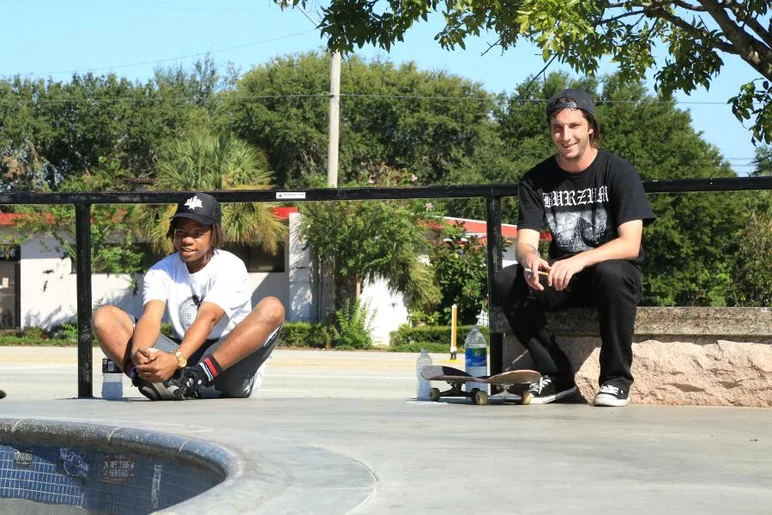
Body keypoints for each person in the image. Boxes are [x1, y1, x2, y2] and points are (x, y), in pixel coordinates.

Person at [492, 88, 655, 407]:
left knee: (611, 272)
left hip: (612, 277)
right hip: (562, 277)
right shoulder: (535, 180)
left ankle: (615, 381)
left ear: (590, 127)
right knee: (503, 280)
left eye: (574, 126)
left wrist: (579, 261)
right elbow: (525, 242)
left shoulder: (618, 172)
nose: (565, 135)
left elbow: (630, 243)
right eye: (557, 127)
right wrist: (530, 261)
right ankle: (556, 376)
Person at [92, 192, 285, 400]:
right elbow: (151, 317)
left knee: (272, 308)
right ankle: (145, 377)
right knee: (103, 317)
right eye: (181, 232)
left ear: (214, 234)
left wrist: (177, 359)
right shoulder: (161, 271)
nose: (187, 240)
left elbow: (208, 318)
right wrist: (142, 354)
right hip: (183, 362)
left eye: (197, 233)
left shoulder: (230, 266)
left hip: (226, 368)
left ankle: (193, 378)